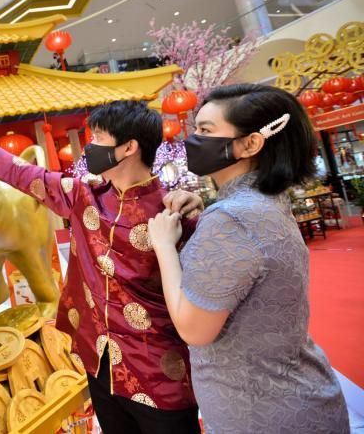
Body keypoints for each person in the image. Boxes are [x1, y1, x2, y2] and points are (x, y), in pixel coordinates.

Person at [0, 101, 203, 434]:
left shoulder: (173, 211)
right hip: (100, 364)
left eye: (98, 138)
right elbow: (32, 177)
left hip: (159, 374)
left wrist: (198, 208)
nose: (90, 147)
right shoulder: (85, 195)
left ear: (128, 147)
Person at [147, 84, 350, 433]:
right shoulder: (258, 203)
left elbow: (193, 329)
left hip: (261, 413)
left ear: (251, 143)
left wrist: (164, 245)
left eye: (206, 130)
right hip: (297, 396)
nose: (192, 140)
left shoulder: (231, 218)